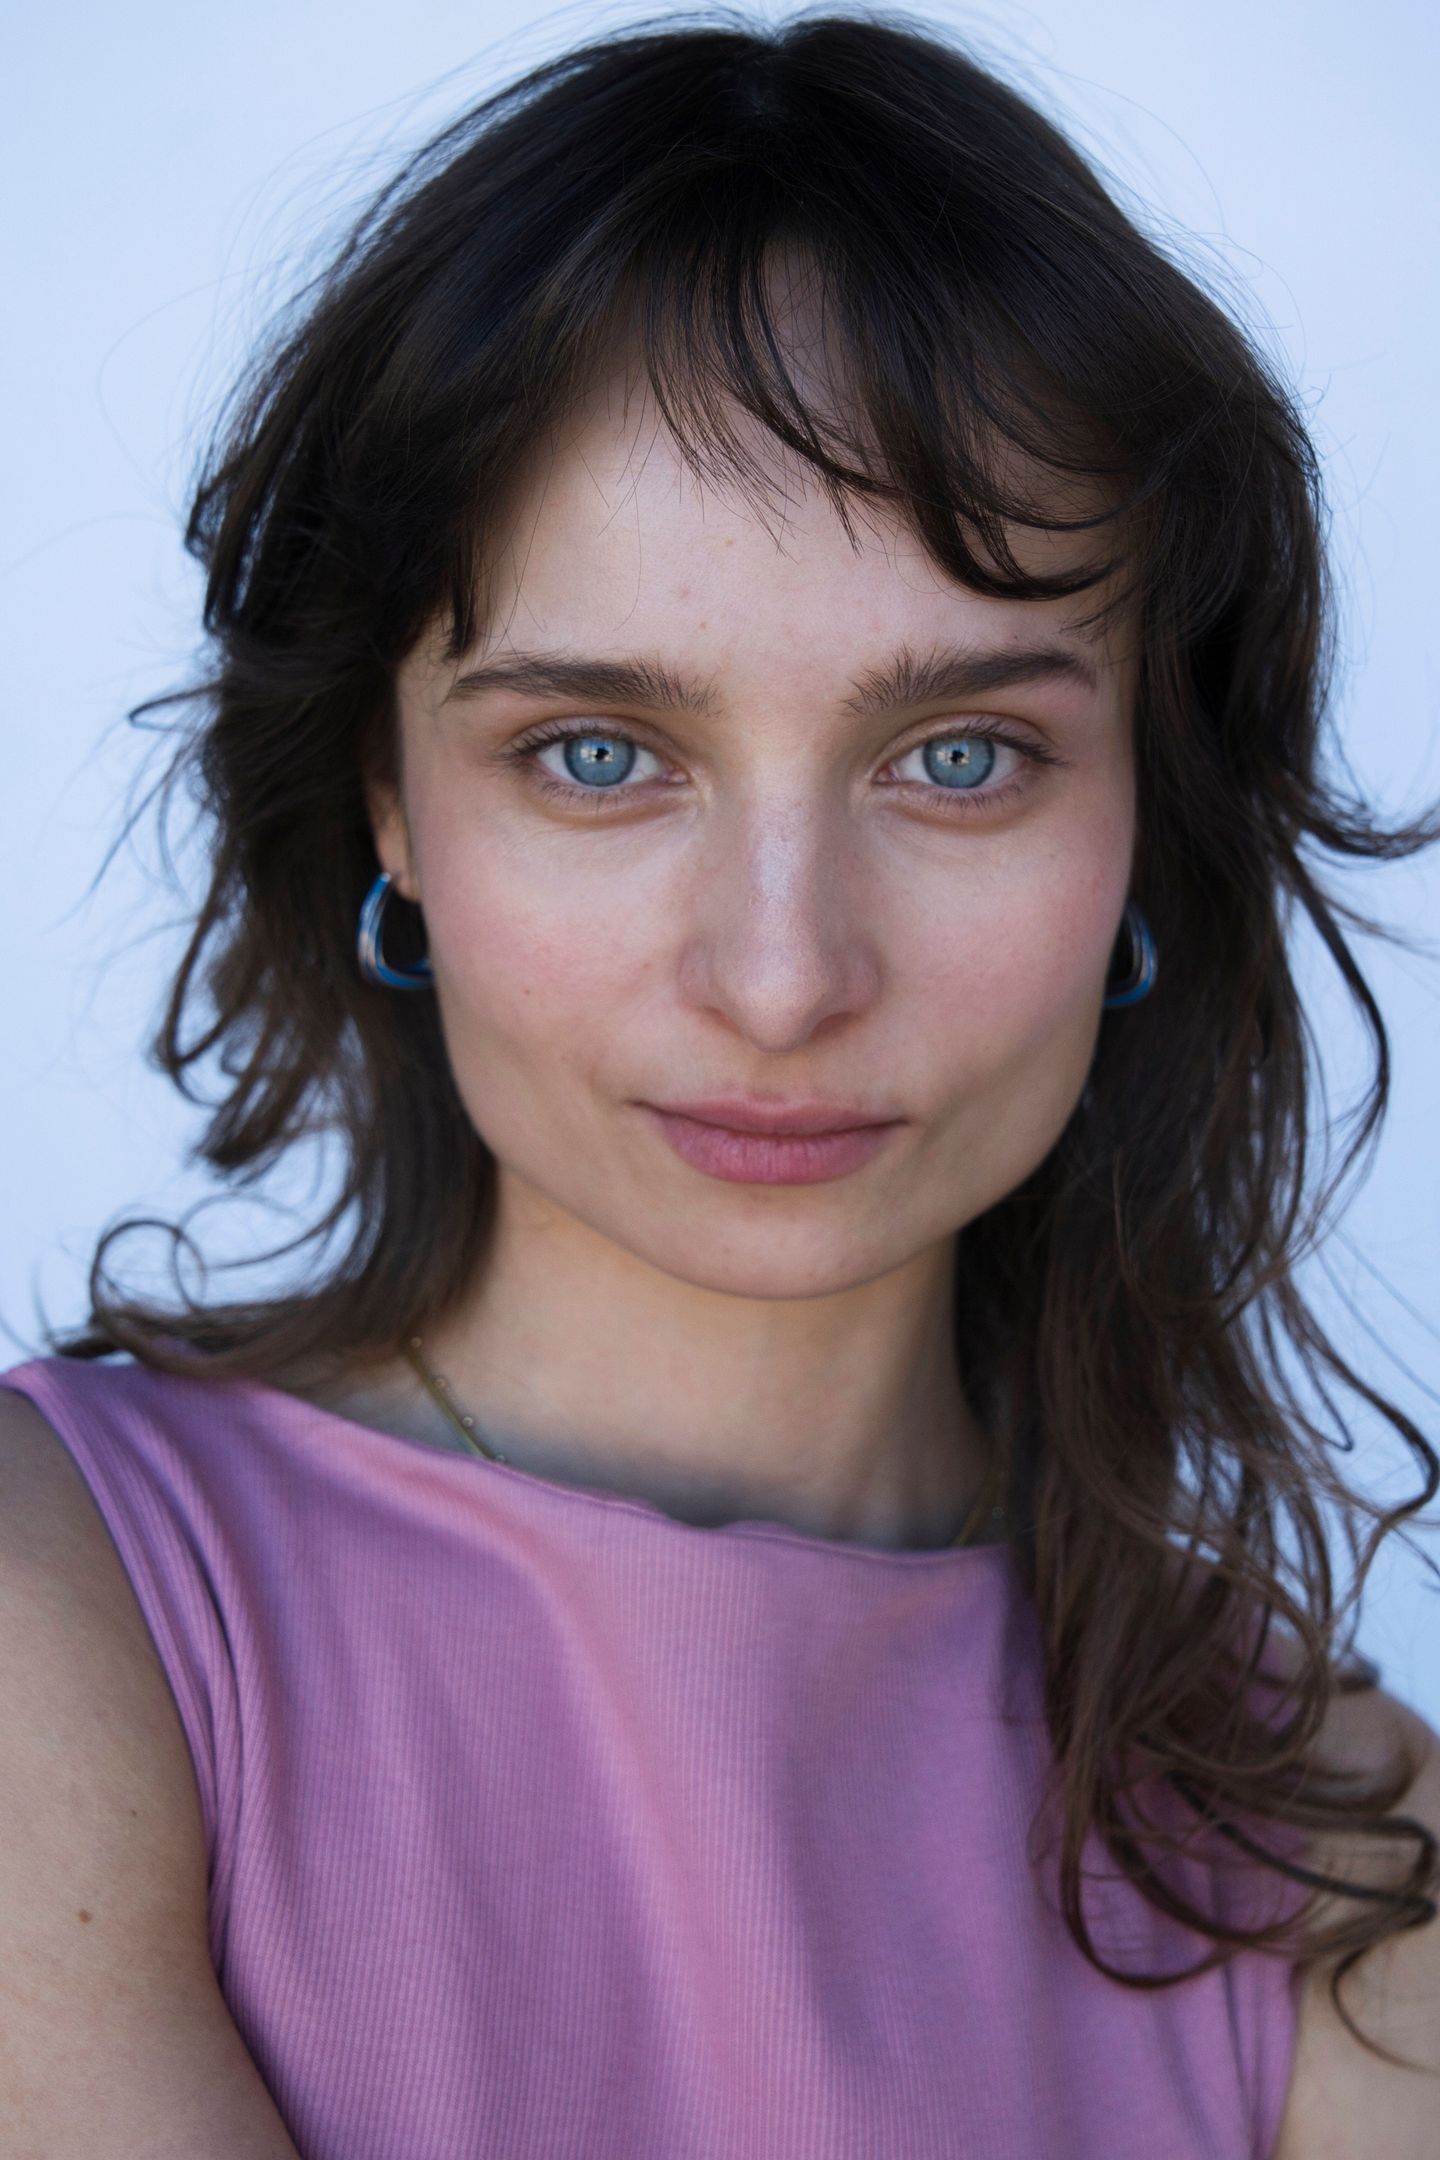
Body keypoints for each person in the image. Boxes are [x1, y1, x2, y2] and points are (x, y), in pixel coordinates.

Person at [2, 13, 1437, 2156]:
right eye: (597, 755)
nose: (781, 978)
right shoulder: (63, 1614)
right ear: (390, 803)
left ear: (1153, 819)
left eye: (964, 757)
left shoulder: (1342, 1855)